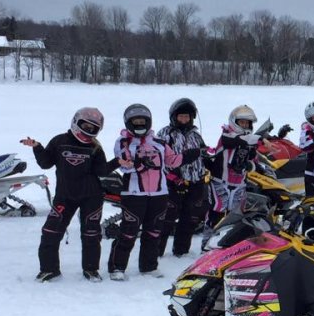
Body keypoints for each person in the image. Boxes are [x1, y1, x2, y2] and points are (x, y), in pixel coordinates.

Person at [20, 108, 115, 282]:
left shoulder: (95, 146)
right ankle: (49, 269)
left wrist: (117, 162)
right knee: (50, 231)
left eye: (93, 127)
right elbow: (45, 163)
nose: (88, 130)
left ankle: (91, 269)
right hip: (65, 196)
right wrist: (37, 147)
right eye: (85, 125)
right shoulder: (59, 141)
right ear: (76, 122)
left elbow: (101, 170)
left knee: (91, 234)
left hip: (91, 196)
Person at [108, 104, 200, 281]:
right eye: (136, 122)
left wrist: (190, 155)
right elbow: (124, 164)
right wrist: (139, 164)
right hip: (134, 194)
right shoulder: (124, 141)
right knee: (129, 231)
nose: (140, 124)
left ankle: (148, 266)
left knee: (153, 231)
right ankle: (117, 267)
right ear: (129, 123)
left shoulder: (159, 142)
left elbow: (172, 161)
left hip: (159, 194)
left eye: (143, 121)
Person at [156, 98, 208, 257]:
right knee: (166, 219)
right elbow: (158, 160)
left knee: (190, 219)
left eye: (187, 117)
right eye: (181, 117)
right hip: (173, 183)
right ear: (174, 117)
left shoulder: (196, 135)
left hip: (195, 183)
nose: (184, 120)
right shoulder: (165, 134)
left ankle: (181, 250)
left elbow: (203, 154)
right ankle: (156, 251)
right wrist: (174, 178)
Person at [203, 104, 261, 244]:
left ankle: (228, 243)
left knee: (235, 216)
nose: (245, 125)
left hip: (239, 184)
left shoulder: (250, 142)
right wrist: (261, 138)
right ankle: (207, 242)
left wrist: (250, 165)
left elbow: (254, 162)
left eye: (247, 123)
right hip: (220, 182)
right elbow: (234, 141)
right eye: (242, 122)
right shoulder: (226, 135)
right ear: (234, 122)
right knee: (215, 213)